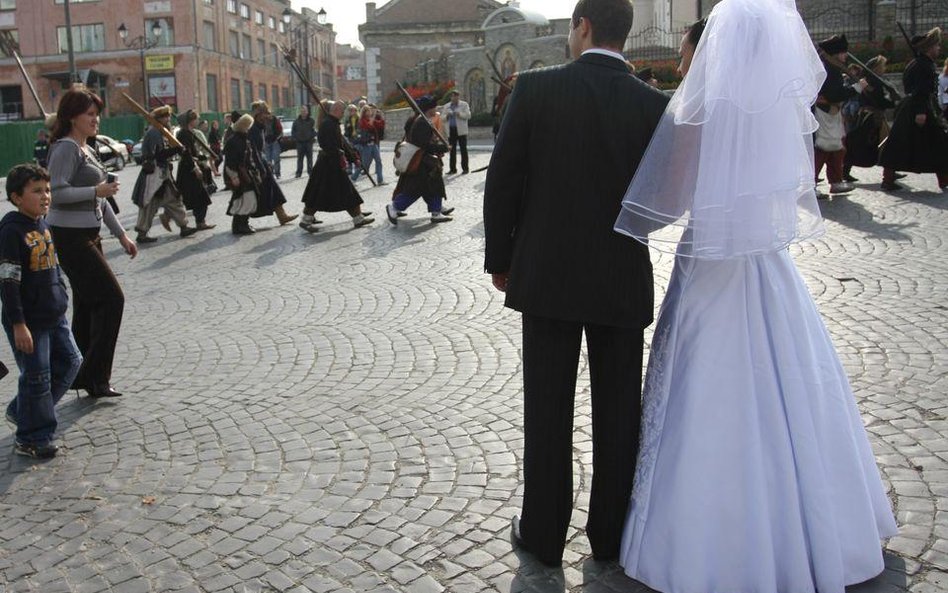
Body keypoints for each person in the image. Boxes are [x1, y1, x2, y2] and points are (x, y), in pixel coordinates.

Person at [612, 1, 898, 591]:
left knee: (708, 380)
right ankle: (812, 523)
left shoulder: (704, 106)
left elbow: (668, 189)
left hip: (712, 257)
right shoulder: (774, 109)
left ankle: (705, 537)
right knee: (789, 375)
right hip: (765, 259)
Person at [483, 0, 668, 566]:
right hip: (619, 275)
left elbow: (503, 179)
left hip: (547, 275)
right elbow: (663, 199)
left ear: (581, 27)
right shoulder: (655, 104)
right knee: (619, 414)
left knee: (547, 407)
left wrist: (501, 258)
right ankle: (610, 536)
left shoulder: (536, 89)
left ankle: (541, 533)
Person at [46, 86, 137, 400]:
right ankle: (94, 376)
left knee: (87, 307)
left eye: (97, 114)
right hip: (69, 236)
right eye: (90, 114)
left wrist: (121, 234)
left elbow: (100, 202)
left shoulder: (87, 148)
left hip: (90, 233)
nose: (96, 120)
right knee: (112, 299)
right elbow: (55, 193)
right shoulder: (65, 149)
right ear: (73, 117)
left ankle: (76, 372)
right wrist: (95, 192)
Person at [1, 164, 83, 459]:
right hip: (29, 319)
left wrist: (60, 293)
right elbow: (8, 282)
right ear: (16, 197)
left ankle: (22, 411)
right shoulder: (11, 230)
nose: (45, 196)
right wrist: (18, 323)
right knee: (37, 377)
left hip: (54, 313)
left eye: (47, 190)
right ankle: (32, 437)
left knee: (72, 362)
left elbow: (52, 266)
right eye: (37, 191)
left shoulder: (43, 224)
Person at [878, 28, 948, 192]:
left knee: (936, 143)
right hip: (918, 107)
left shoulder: (920, 64)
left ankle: (944, 178)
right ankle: (887, 179)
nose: (939, 49)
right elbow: (920, 90)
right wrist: (921, 112)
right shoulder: (922, 65)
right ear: (929, 48)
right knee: (932, 142)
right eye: (937, 46)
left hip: (915, 106)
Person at [299, 101, 375, 231]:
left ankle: (358, 217)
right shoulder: (328, 124)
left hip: (332, 163)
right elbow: (327, 144)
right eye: (342, 111)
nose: (343, 114)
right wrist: (339, 154)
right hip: (328, 164)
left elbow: (342, 144)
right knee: (320, 193)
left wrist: (352, 157)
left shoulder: (332, 123)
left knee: (345, 191)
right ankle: (306, 220)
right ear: (336, 110)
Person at [130, 106, 200, 242]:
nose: (168, 119)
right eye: (165, 117)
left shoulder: (161, 132)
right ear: (159, 119)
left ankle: (184, 226)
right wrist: (176, 150)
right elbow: (159, 154)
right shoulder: (154, 133)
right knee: (149, 203)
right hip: (154, 174)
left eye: (168, 116)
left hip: (163, 173)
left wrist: (176, 149)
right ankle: (142, 233)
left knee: (174, 199)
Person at [386, 96, 454, 225]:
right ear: (429, 109)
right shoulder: (422, 123)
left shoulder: (421, 120)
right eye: (434, 107)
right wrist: (443, 148)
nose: (436, 109)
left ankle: (436, 211)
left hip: (425, 162)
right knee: (415, 190)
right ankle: (394, 207)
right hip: (422, 163)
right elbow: (424, 145)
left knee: (433, 188)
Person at [814, 34, 866, 196]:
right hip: (824, 113)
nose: (845, 56)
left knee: (837, 150)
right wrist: (856, 88)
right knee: (822, 149)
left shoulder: (831, 67)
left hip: (831, 113)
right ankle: (811, 185)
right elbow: (834, 94)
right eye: (843, 53)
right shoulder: (829, 69)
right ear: (835, 53)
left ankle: (836, 181)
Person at [844, 56, 897, 178]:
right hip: (872, 116)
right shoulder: (873, 82)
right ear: (876, 68)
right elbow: (879, 100)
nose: (884, 68)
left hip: (870, 114)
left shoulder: (873, 80)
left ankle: (890, 171)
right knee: (862, 143)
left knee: (858, 143)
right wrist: (891, 102)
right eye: (882, 66)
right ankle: (889, 174)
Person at [248, 101, 299, 226]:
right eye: (265, 113)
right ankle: (240, 219)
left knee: (274, 190)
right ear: (259, 114)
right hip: (257, 164)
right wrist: (260, 167)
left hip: (262, 162)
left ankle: (282, 215)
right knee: (252, 194)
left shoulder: (260, 126)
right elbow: (254, 151)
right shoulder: (253, 128)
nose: (267, 116)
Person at [175, 110, 215, 231]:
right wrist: (195, 167)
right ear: (190, 121)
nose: (198, 121)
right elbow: (187, 153)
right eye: (196, 119)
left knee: (196, 197)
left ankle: (200, 221)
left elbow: (193, 152)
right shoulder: (184, 134)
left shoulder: (189, 133)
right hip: (189, 169)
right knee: (200, 197)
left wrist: (204, 157)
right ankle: (200, 222)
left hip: (191, 166)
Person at [442, 90, 471, 174]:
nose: (454, 98)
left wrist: (459, 114)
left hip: (461, 131)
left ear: (458, 97)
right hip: (451, 130)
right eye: (452, 96)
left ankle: (465, 168)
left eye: (456, 96)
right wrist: (447, 115)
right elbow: (442, 118)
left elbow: (468, 115)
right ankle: (452, 169)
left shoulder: (464, 105)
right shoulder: (446, 106)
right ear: (450, 97)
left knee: (463, 150)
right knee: (452, 150)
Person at [357, 104, 385, 185]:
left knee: (378, 161)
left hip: (374, 144)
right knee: (364, 164)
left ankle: (380, 180)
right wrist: (373, 117)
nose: (370, 112)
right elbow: (369, 126)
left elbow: (381, 124)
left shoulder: (370, 119)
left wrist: (381, 115)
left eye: (370, 110)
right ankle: (354, 177)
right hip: (367, 145)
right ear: (364, 112)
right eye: (368, 110)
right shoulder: (362, 120)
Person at [291, 105, 316, 178]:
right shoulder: (296, 121)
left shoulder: (311, 121)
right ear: (300, 112)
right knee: (300, 159)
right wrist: (295, 138)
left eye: (305, 111)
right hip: (300, 143)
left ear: (307, 112)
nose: (303, 112)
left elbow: (314, 131)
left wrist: (311, 137)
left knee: (310, 159)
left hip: (308, 142)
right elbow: (293, 131)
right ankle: (298, 173)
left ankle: (310, 172)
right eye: (302, 111)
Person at [263, 107, 283, 178]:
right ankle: (270, 174)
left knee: (276, 158)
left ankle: (277, 173)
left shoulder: (275, 120)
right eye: (266, 114)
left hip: (274, 141)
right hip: (266, 142)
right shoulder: (263, 121)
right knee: (268, 159)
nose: (268, 115)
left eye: (269, 113)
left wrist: (277, 138)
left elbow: (280, 130)